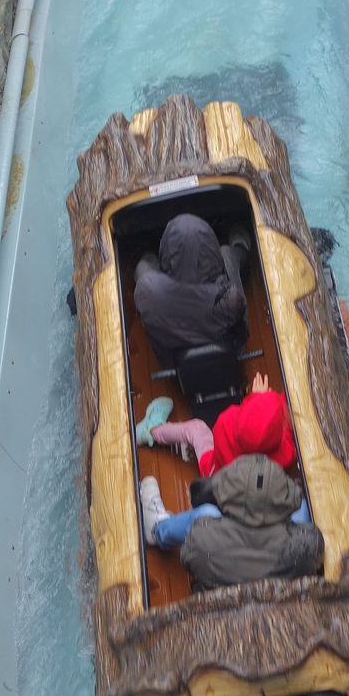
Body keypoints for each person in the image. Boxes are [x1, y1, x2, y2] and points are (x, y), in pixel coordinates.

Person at [141, 455, 322, 589]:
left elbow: (188, 560)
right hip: (278, 611)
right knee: (304, 510)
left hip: (220, 609)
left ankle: (157, 529)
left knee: (206, 513)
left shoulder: (199, 538)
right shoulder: (310, 542)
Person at [132, 213, 249, 364]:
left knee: (144, 266)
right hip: (230, 354)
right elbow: (240, 327)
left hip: (172, 363)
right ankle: (241, 247)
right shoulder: (230, 299)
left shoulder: (148, 292)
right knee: (227, 254)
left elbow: (146, 280)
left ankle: (148, 252)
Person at [144, 371, 295, 478]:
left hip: (214, 474)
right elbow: (285, 436)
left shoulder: (226, 424)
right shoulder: (287, 454)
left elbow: (242, 415)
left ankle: (152, 431)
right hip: (238, 487)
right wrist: (264, 403)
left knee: (196, 428)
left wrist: (255, 399)